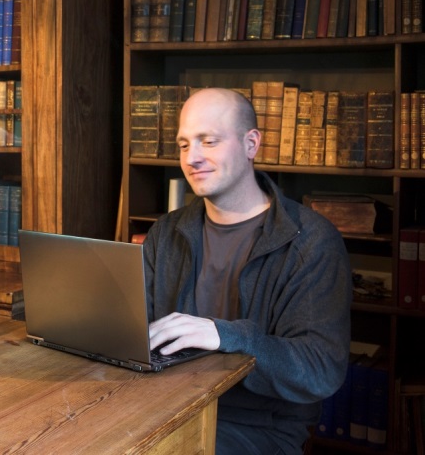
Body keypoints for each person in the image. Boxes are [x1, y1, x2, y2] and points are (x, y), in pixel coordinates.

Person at [144, 87, 352, 454]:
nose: (192, 158)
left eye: (208, 141)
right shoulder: (166, 231)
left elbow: (319, 368)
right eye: (183, 145)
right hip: (165, 402)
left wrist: (228, 336)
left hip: (257, 425)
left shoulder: (312, 241)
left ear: (251, 144)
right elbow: (136, 328)